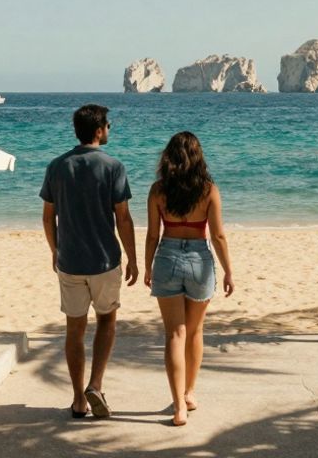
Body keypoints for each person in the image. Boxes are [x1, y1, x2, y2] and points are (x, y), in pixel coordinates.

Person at [41, 104, 138, 420]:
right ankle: (95, 384)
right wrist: (134, 258)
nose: (109, 130)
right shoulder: (113, 166)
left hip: (69, 261)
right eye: (108, 125)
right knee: (107, 320)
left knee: (74, 328)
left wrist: (55, 249)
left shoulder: (57, 166)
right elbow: (122, 218)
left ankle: (78, 399)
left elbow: (48, 216)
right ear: (99, 130)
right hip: (104, 260)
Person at [143, 131, 234, 427]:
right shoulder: (208, 190)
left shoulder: (158, 190)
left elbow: (153, 235)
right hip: (199, 259)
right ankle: (190, 393)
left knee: (174, 334)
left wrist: (147, 266)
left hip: (167, 257)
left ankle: (179, 406)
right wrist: (229, 270)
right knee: (194, 332)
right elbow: (218, 236)